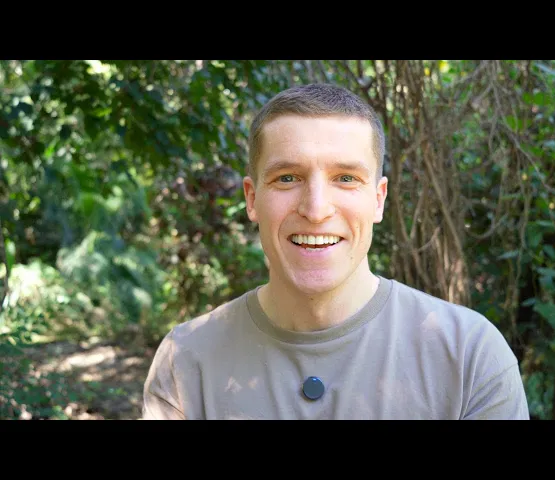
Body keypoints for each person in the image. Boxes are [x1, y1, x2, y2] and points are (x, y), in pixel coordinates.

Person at [142, 83, 530, 420]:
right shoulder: (187, 361)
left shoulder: (469, 356)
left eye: (345, 178)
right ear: (252, 198)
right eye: (287, 178)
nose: (316, 209)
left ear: (378, 200)